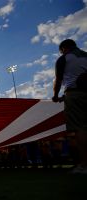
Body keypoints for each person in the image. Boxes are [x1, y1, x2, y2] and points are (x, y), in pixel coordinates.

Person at [52, 39, 87, 174]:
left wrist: (55, 96)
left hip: (75, 93)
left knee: (80, 128)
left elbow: (59, 80)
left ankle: (84, 165)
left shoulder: (63, 59)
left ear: (63, 48)